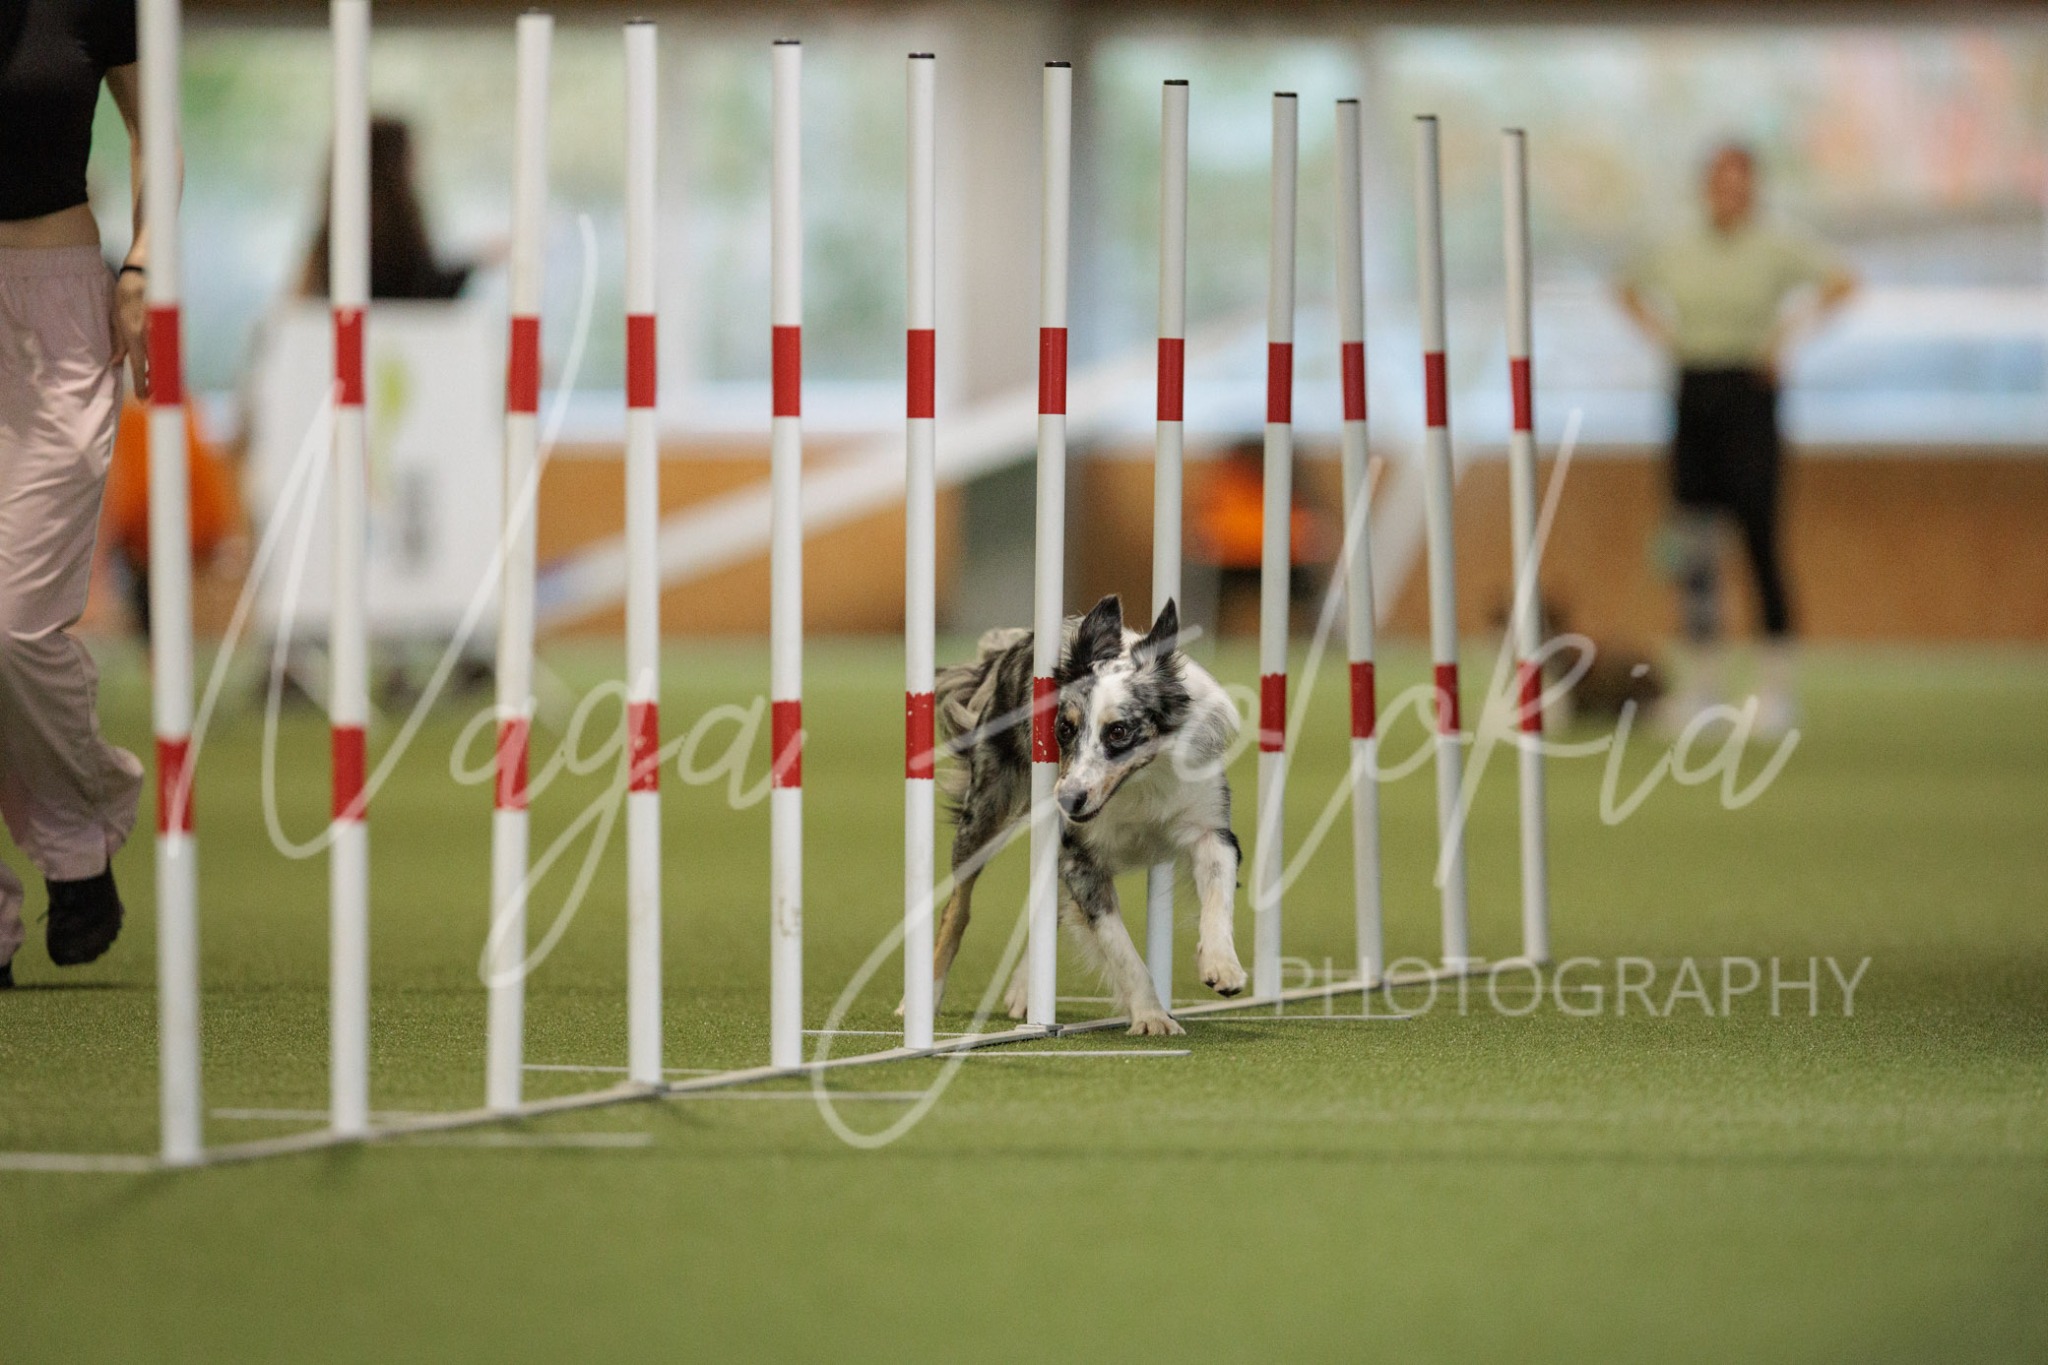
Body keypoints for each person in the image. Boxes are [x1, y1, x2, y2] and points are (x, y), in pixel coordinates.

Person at [0, 0, 165, 988]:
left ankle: (80, 823)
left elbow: (158, 131)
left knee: (14, 625)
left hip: (55, 306)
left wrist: (143, 260)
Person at [1618, 143, 1856, 736]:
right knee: (1694, 546)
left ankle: (1776, 692)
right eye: (1722, 182)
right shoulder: (1677, 244)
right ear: (1706, 187)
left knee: (1759, 538)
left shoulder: (1777, 244)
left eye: (1741, 183)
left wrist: (1787, 335)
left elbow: (1842, 283)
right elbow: (1625, 287)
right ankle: (1702, 689)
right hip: (1693, 389)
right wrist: (1664, 336)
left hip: (1750, 391)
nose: (1732, 193)